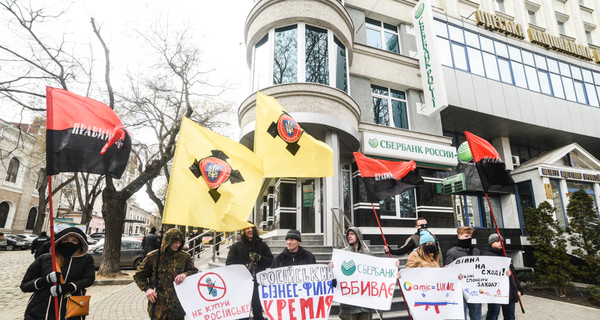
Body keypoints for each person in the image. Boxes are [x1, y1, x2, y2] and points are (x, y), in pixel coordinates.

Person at [20, 227, 95, 320]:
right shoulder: (44, 259)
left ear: (80, 243)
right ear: (59, 240)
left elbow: (89, 279)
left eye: (74, 240)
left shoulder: (86, 259)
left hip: (72, 309)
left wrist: (68, 287)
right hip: (41, 311)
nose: (69, 243)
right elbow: (25, 286)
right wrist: (45, 280)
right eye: (65, 239)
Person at [134, 228, 198, 320]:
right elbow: (138, 276)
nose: (178, 245)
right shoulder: (154, 257)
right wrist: (147, 289)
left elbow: (194, 271)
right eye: (175, 242)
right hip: (159, 307)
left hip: (177, 306)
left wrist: (185, 274)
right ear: (168, 241)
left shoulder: (185, 257)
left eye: (180, 242)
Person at [226, 224, 273, 320]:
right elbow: (229, 264)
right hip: (243, 283)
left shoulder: (262, 245)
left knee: (258, 310)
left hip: (258, 282)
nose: (250, 230)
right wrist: (244, 267)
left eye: (252, 228)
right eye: (247, 228)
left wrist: (260, 258)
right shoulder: (235, 247)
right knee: (243, 311)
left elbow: (270, 261)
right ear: (242, 231)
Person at [482, 234, 524, 320]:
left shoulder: (507, 256)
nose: (500, 243)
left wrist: (519, 289)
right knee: (493, 315)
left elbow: (513, 275)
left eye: (501, 241)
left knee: (510, 316)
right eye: (497, 241)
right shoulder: (485, 256)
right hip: (494, 291)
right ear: (491, 243)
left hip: (508, 291)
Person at [336, 227, 374, 320]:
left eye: (352, 234)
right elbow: (336, 273)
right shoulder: (342, 253)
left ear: (358, 236)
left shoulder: (367, 253)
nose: (349, 236)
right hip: (349, 304)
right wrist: (332, 267)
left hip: (365, 303)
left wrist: (392, 267)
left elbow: (376, 271)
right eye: (348, 234)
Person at [445, 227, 482, 320]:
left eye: (470, 236)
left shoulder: (476, 251)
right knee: (461, 315)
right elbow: (449, 272)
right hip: (459, 289)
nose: (469, 238)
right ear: (460, 236)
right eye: (466, 236)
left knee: (476, 315)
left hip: (474, 288)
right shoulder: (452, 252)